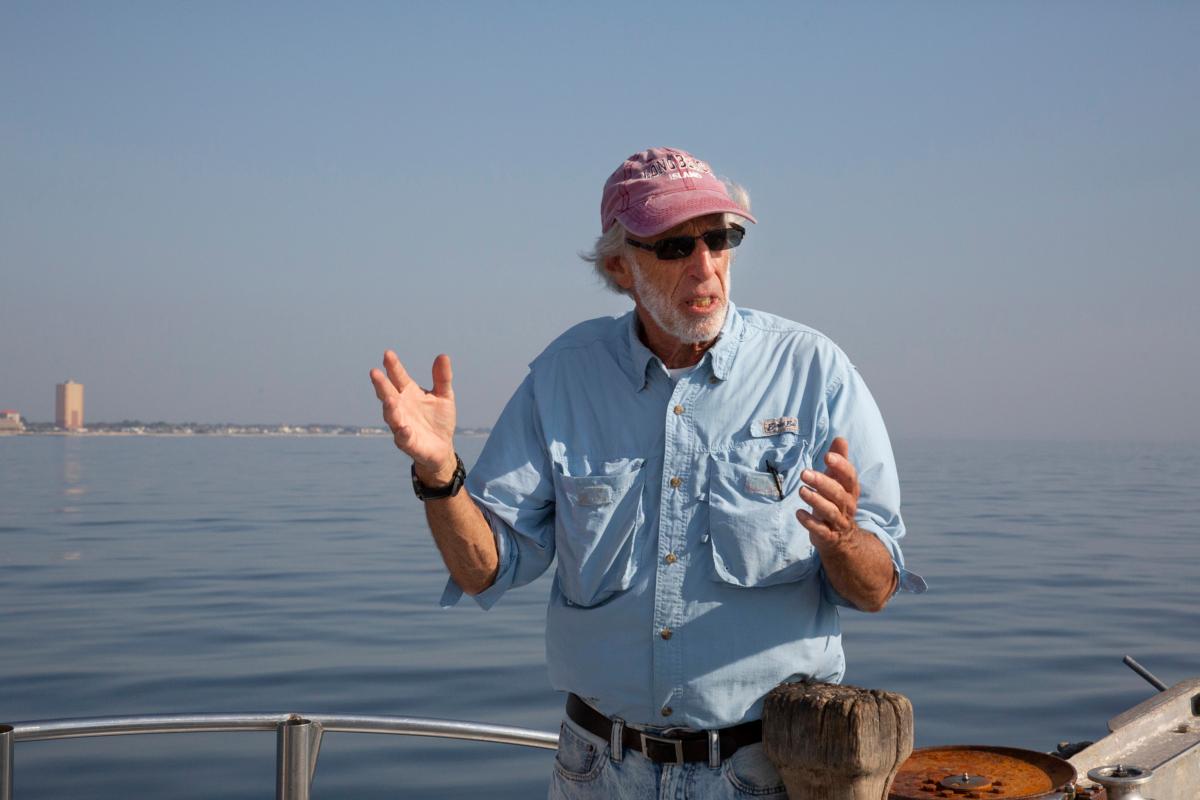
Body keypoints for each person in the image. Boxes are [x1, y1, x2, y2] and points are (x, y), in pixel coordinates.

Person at [369, 147, 924, 799]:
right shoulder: (562, 376)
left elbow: (875, 587)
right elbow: (482, 569)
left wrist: (840, 543)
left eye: (720, 239)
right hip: (596, 770)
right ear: (619, 266)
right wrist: (440, 474)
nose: (705, 265)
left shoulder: (813, 371)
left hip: (761, 773)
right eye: (674, 246)